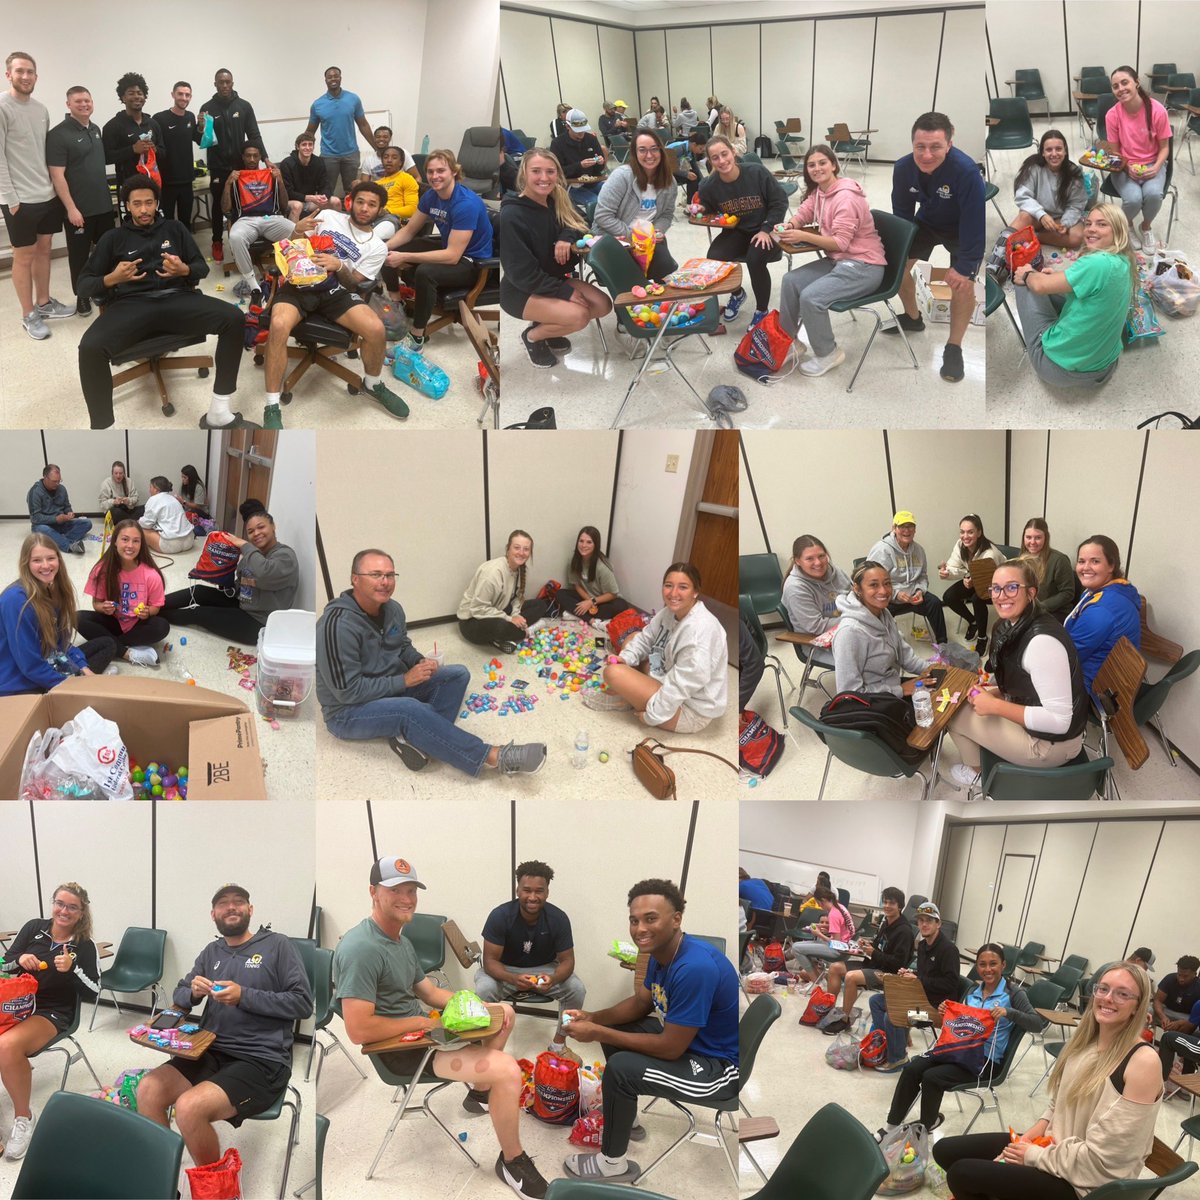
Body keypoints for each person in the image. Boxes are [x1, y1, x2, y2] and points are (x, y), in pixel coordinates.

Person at [335, 855, 550, 1198]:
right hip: (402, 1050)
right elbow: (359, 1031)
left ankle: (479, 1094)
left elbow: (429, 991)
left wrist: (477, 1006)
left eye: (411, 890)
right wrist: (422, 1022)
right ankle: (512, 1162)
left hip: (421, 1034)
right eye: (396, 890)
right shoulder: (361, 948)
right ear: (373, 892)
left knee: (504, 1012)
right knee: (508, 1071)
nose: (407, 898)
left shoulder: (399, 941)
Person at [933, 962, 1161, 1199]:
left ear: (1137, 1006)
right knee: (945, 1151)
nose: (1108, 998)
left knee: (962, 1174)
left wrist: (1031, 1155)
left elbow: (1104, 1163)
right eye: (1103, 989)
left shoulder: (1143, 1062)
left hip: (1085, 1185)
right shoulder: (1084, 1044)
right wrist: (1024, 1140)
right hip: (1053, 1150)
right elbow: (1057, 1107)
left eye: (1122, 994)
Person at [562, 878, 739, 1183]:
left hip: (715, 1069)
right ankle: (625, 1119)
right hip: (690, 1044)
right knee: (618, 1026)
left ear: (676, 920)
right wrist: (596, 1017)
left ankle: (611, 1164)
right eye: (634, 920)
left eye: (651, 919)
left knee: (621, 1068)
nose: (640, 928)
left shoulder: (694, 967)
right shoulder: (661, 953)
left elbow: (671, 1048)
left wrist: (598, 1033)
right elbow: (641, 1003)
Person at [317, 549, 547, 776]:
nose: (385, 582)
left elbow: (402, 646)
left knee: (458, 674)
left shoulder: (393, 609)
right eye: (376, 575)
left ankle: (417, 737)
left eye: (390, 575)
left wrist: (419, 661)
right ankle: (494, 756)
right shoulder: (336, 626)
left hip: (390, 690)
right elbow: (346, 693)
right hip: (347, 711)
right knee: (409, 710)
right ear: (355, 579)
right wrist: (404, 680)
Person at [136, 885, 311, 1171]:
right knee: (148, 1090)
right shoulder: (211, 952)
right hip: (208, 1049)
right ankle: (163, 1174)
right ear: (213, 914)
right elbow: (181, 993)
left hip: (261, 1059)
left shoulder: (278, 945)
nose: (231, 907)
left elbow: (303, 1003)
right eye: (223, 904)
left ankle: (217, 1189)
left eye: (238, 902)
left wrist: (244, 996)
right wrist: (193, 992)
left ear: (250, 910)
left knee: (189, 1108)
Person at [76, 175, 248, 431]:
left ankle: (219, 413)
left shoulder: (175, 229)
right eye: (137, 204)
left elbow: (201, 268)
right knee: (89, 348)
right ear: (127, 207)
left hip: (177, 299)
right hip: (132, 305)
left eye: (149, 202)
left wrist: (184, 270)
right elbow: (83, 285)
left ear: (157, 202)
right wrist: (111, 278)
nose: (144, 210)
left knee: (234, 318)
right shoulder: (113, 238)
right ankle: (103, 428)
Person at [261, 181, 409, 429]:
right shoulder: (328, 217)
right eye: (360, 201)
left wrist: (339, 265)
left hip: (336, 290)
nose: (364, 208)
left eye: (371, 205)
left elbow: (355, 284)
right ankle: (272, 406)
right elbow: (292, 247)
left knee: (375, 328)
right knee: (278, 325)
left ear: (380, 210)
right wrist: (296, 230)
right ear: (351, 201)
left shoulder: (377, 247)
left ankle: (373, 385)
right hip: (299, 285)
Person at [946, 559, 1090, 792]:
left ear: (1031, 593)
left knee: (954, 714)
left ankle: (976, 773)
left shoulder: (1042, 642)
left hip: (1051, 745)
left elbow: (1059, 721)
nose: (1001, 595)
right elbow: (1027, 681)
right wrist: (996, 692)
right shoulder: (1017, 623)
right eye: (996, 588)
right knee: (968, 700)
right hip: (1047, 730)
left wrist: (994, 706)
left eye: (1012, 587)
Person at [879, 944, 1046, 1138]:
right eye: (982, 964)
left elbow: (1037, 1024)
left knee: (932, 1077)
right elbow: (957, 1024)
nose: (987, 969)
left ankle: (925, 1128)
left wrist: (1009, 1012)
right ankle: (891, 1127)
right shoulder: (974, 991)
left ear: (1004, 965)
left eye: (993, 964)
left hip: (985, 1062)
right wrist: (945, 1012)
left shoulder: (1014, 993)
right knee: (911, 1069)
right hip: (957, 1049)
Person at [0, 883, 100, 1159]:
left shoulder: (84, 946)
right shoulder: (34, 928)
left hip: (52, 1012)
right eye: (60, 903)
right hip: (16, 1004)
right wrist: (20, 957)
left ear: (81, 913)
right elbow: (4, 963)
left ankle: (24, 1118)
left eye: (72, 907)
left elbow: (93, 991)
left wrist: (72, 969)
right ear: (52, 903)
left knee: (6, 1046)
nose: (63, 911)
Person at [890, 112, 984, 383]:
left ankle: (954, 346)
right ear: (912, 144)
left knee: (963, 285)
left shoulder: (966, 172)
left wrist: (964, 267)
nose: (927, 155)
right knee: (896, 271)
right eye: (920, 146)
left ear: (949, 144)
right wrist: (899, 252)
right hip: (929, 222)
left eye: (935, 147)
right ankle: (913, 317)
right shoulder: (903, 168)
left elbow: (974, 222)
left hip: (962, 227)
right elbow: (902, 216)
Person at [777, 144, 887, 376]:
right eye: (811, 165)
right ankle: (790, 341)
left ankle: (829, 353)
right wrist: (792, 224)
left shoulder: (845, 198)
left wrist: (802, 235)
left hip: (864, 266)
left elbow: (840, 243)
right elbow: (805, 211)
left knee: (811, 298)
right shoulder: (821, 192)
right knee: (790, 281)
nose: (817, 168)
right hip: (841, 261)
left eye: (822, 163)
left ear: (834, 165)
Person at [500, 148, 609, 369]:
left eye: (550, 172)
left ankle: (549, 322)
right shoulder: (511, 216)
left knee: (602, 305)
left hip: (550, 281)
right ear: (524, 174)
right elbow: (522, 274)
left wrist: (564, 238)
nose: (544, 178)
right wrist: (565, 292)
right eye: (536, 171)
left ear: (557, 174)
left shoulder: (556, 199)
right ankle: (533, 336)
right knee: (579, 316)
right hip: (521, 290)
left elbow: (580, 223)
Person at [1012, 204, 1137, 389]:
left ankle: (1040, 344)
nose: (1091, 229)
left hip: (1060, 370)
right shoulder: (1125, 261)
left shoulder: (1095, 263)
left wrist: (1028, 274)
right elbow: (1081, 286)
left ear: (1118, 230)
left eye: (1101, 224)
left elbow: (1038, 286)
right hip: (1105, 367)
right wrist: (1047, 279)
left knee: (1023, 281)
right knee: (1052, 284)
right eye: (1088, 223)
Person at [474, 860, 586, 1062]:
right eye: (527, 890)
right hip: (505, 970)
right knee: (483, 990)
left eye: (539, 891)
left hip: (545, 970)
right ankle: (489, 1048)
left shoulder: (558, 918)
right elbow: (490, 961)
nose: (532, 897)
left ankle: (559, 1043)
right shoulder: (500, 915)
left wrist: (553, 979)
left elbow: (568, 961)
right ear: (517, 890)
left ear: (547, 892)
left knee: (577, 989)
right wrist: (513, 977)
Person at [382, 149, 493, 351]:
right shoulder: (431, 196)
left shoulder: (465, 203)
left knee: (425, 272)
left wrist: (405, 256)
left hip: (471, 262)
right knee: (387, 251)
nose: (435, 176)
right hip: (449, 247)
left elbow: (452, 256)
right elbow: (409, 230)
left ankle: (417, 337)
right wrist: (380, 248)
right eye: (431, 172)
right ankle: (397, 306)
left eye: (441, 171)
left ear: (454, 172)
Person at [601, 562, 728, 732]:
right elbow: (645, 639)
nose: (673, 593)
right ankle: (634, 693)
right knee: (631, 639)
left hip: (688, 710)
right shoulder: (669, 612)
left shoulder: (699, 633)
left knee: (613, 673)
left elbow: (681, 686)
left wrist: (650, 716)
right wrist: (625, 658)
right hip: (668, 678)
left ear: (695, 592)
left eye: (683, 587)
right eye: (668, 586)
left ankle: (631, 699)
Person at [1, 51, 71, 341]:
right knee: (24, 256)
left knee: (44, 250)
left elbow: (43, 152)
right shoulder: (2, 106)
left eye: (30, 72)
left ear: (36, 76)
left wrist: (54, 189)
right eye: (20, 71)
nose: (26, 76)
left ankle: (44, 303)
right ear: (9, 74)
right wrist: (10, 198)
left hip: (46, 194)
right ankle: (28, 314)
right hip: (20, 199)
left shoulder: (41, 109)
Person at [162, 510, 298, 645]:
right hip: (243, 604)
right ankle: (156, 604)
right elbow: (241, 584)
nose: (256, 533)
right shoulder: (253, 555)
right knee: (198, 591)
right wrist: (221, 578)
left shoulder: (285, 556)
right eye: (251, 531)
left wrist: (245, 546)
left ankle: (154, 615)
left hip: (259, 622)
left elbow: (264, 575)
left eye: (261, 527)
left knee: (198, 613)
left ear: (273, 526)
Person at [0, 536, 116, 694]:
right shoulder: (16, 601)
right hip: (19, 680)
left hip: (48, 658)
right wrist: (75, 685)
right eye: (37, 560)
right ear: (26, 563)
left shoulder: (53, 588)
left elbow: (61, 643)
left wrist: (84, 669)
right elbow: (30, 666)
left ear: (59, 559)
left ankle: (83, 681)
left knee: (107, 644)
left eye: (50, 558)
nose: (46, 566)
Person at [696, 134, 788, 327]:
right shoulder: (708, 186)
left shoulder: (757, 172)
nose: (722, 161)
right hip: (738, 231)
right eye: (715, 158)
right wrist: (700, 209)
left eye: (724, 154)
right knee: (714, 256)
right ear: (710, 161)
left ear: (733, 152)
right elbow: (709, 206)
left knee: (755, 259)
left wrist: (766, 229)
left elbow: (779, 202)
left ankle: (762, 310)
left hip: (766, 230)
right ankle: (738, 294)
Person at [46, 86, 114, 316]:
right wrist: (71, 209)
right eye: (78, 101)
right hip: (79, 211)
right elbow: (57, 175)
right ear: (68, 105)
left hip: (103, 206)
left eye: (87, 100)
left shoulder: (95, 129)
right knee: (79, 256)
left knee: (106, 251)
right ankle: (82, 296)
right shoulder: (58, 135)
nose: (84, 104)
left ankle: (104, 291)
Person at [869, 902, 960, 1073]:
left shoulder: (949, 950)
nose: (924, 924)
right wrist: (911, 973)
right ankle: (890, 1045)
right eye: (921, 921)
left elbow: (950, 984)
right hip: (919, 999)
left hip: (936, 1009)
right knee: (876, 1001)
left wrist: (919, 979)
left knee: (894, 1014)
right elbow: (927, 975)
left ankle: (898, 1058)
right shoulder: (924, 945)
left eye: (929, 920)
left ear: (938, 923)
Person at [831, 560, 932, 699]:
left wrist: (934, 669)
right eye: (874, 585)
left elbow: (906, 657)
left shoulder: (884, 613)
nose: (884, 591)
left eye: (887, 583)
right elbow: (848, 694)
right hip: (872, 703)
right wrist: (900, 690)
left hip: (891, 687)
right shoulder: (849, 633)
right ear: (857, 589)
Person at [77, 518, 169, 668]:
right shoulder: (102, 570)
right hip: (113, 621)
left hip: (137, 624)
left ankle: (109, 642)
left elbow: (155, 607)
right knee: (76, 617)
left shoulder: (151, 575)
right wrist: (103, 607)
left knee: (162, 626)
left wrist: (147, 612)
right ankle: (126, 652)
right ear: (115, 541)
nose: (130, 546)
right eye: (125, 539)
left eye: (136, 541)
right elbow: (96, 604)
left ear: (141, 544)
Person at [198, 69, 268, 264]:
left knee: (242, 204)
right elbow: (201, 139)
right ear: (215, 84)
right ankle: (217, 241)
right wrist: (199, 127)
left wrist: (266, 158)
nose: (225, 86)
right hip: (218, 166)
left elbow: (254, 134)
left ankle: (242, 241)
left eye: (228, 82)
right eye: (221, 82)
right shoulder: (207, 108)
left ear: (232, 83)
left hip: (240, 166)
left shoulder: (244, 106)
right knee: (219, 205)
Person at [824, 887, 916, 1031]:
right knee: (834, 967)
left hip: (887, 973)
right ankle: (829, 1010)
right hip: (873, 964)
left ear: (900, 906)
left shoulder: (904, 931)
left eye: (891, 903)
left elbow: (898, 964)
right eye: (885, 902)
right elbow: (879, 946)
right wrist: (867, 945)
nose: (887, 906)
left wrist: (873, 952)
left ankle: (844, 1019)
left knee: (851, 977)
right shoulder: (886, 922)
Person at [594, 127, 679, 280]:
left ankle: (657, 301)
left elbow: (667, 214)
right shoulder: (622, 176)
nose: (649, 155)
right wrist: (634, 236)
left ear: (661, 151)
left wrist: (656, 231)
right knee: (631, 278)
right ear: (634, 153)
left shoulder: (669, 182)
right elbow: (602, 216)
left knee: (665, 267)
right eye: (642, 150)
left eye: (654, 149)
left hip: (647, 240)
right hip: (617, 238)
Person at [1063, 535, 1142, 695]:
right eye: (1081, 561)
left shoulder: (1102, 609)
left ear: (1111, 565)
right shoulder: (1116, 590)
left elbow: (1067, 657)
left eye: (1095, 561)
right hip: (1113, 677)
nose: (1085, 567)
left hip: (1095, 685)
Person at [1105, 65, 1172, 252]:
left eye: (1124, 82)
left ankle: (1146, 226)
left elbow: (1165, 148)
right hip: (1124, 164)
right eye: (1115, 86)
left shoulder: (1157, 111)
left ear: (1137, 82)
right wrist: (1127, 168)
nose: (1120, 89)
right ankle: (1127, 225)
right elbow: (1115, 153)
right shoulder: (1112, 115)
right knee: (1133, 199)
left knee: (1153, 195)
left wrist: (1157, 166)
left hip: (1152, 163)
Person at [457, 530, 551, 653]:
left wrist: (516, 614)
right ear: (508, 549)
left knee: (540, 605)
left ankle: (509, 634)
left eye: (526, 549)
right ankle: (526, 631)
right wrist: (509, 619)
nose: (521, 553)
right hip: (473, 621)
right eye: (517, 548)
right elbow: (478, 609)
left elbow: (517, 598)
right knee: (501, 627)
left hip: (498, 609)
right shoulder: (492, 573)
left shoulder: (519, 568)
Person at [222, 143, 292, 301]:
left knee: (297, 231)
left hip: (271, 219)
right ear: (243, 157)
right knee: (235, 237)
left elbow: (284, 206)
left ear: (261, 157)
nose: (252, 159)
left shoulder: (271, 175)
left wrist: (280, 181)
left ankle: (291, 275)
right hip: (246, 221)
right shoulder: (236, 177)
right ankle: (254, 287)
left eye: (255, 155)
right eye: (248, 155)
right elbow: (225, 208)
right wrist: (227, 183)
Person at [867, 511, 948, 643]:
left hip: (913, 597)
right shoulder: (882, 550)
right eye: (902, 527)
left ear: (915, 529)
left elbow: (922, 576)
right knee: (876, 612)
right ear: (894, 528)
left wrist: (920, 591)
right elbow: (874, 583)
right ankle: (885, 648)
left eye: (910, 526)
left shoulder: (919, 550)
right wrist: (896, 594)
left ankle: (943, 645)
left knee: (935, 603)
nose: (906, 530)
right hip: (889, 598)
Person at [937, 514, 1005, 656]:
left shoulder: (989, 553)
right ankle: (973, 621)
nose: (965, 536)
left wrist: (971, 579)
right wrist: (946, 572)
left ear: (979, 532)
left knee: (976, 599)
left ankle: (982, 637)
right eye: (962, 532)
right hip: (975, 579)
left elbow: (989, 581)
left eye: (970, 532)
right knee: (948, 596)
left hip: (996, 585)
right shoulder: (960, 545)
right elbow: (954, 566)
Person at [781, 535, 851, 671]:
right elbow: (816, 626)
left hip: (847, 631)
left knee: (888, 646)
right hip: (817, 643)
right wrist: (856, 619)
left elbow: (854, 597)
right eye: (809, 558)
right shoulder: (795, 588)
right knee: (868, 660)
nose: (818, 563)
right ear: (797, 561)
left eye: (821, 556)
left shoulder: (835, 571)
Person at [303, 66, 374, 196]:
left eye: (336, 76)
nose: (333, 79)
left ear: (341, 78)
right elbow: (310, 132)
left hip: (351, 154)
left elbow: (363, 124)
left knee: (352, 191)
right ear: (325, 80)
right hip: (328, 155)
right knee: (326, 190)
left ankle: (352, 215)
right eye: (329, 77)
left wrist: (376, 147)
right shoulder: (317, 104)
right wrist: (301, 150)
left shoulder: (353, 99)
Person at [1013, 129, 1088, 249]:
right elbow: (1022, 196)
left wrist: (1066, 223)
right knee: (1024, 216)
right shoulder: (1033, 167)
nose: (1054, 154)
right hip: (1036, 216)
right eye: (1048, 150)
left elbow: (1076, 204)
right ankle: (1002, 247)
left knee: (1078, 237)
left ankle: (1034, 236)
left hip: (1059, 218)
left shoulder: (1074, 172)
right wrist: (1041, 215)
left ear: (1065, 151)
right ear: (1042, 152)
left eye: (1058, 149)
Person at [100, 71, 163, 190]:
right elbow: (106, 158)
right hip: (127, 187)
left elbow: (163, 152)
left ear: (145, 97)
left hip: (152, 184)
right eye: (131, 93)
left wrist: (154, 149)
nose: (136, 96)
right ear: (123, 97)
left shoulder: (153, 124)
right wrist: (132, 149)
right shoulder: (112, 126)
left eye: (140, 93)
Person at [152, 81, 202, 227]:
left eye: (187, 95)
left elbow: (198, 140)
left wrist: (201, 128)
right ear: (173, 94)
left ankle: (183, 248)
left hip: (186, 180)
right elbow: (155, 149)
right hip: (166, 181)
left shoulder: (190, 117)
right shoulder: (159, 118)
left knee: (185, 221)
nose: (184, 98)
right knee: (165, 222)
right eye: (180, 94)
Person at [564, 525, 632, 620]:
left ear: (596, 545)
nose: (584, 545)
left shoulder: (602, 566)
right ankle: (589, 617)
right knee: (560, 594)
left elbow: (613, 594)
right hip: (587, 597)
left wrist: (592, 602)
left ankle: (582, 616)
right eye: (581, 541)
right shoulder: (573, 561)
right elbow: (577, 585)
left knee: (621, 605)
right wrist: (588, 600)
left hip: (604, 600)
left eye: (589, 542)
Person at [794, 885, 856, 984]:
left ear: (822, 900)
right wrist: (818, 926)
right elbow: (842, 927)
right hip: (846, 946)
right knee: (800, 947)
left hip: (839, 951)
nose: (819, 906)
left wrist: (818, 934)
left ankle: (816, 983)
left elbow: (836, 944)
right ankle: (817, 979)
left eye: (818, 903)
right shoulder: (840, 907)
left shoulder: (833, 914)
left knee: (796, 948)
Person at [27, 463, 91, 554]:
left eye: (59, 481)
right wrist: (56, 519)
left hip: (61, 524)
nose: (57, 484)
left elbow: (67, 506)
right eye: (54, 481)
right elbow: (35, 518)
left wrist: (69, 513)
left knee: (87, 523)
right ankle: (69, 546)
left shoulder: (62, 489)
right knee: (43, 530)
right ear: (45, 477)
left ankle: (58, 539)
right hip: (44, 525)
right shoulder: (35, 492)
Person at [549, 109, 609, 205]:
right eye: (577, 130)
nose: (581, 133)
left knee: (613, 196)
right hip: (571, 186)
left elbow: (599, 170)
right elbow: (558, 172)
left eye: (583, 129)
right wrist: (580, 166)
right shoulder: (557, 144)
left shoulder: (591, 139)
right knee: (595, 203)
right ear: (567, 126)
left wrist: (601, 163)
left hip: (593, 182)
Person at [1020, 518, 1076, 620]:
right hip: (1028, 608)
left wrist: (1041, 606)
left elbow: (1068, 593)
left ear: (1046, 538)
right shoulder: (1021, 558)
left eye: (1038, 538)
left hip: (1053, 611)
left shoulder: (1059, 560)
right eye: (1028, 537)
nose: (1032, 542)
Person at [279, 132, 329, 222]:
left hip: (310, 201)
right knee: (297, 206)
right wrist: (308, 197)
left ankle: (330, 232)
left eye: (310, 145)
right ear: (298, 147)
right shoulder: (287, 164)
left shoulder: (319, 162)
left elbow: (325, 184)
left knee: (335, 201)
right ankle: (294, 235)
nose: (307, 148)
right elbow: (287, 192)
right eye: (304, 145)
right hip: (291, 201)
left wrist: (324, 196)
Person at [138, 476, 195, 554]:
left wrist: (138, 522)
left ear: (156, 489)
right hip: (189, 540)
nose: (149, 490)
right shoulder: (173, 499)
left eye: (150, 487)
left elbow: (146, 524)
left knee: (140, 529)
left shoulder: (153, 499)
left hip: (171, 545)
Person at [377, 146, 419, 227]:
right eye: (386, 157)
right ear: (382, 161)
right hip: (373, 218)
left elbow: (413, 209)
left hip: (393, 220)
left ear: (400, 162)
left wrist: (388, 211)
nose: (389, 160)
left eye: (394, 157)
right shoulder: (376, 183)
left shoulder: (407, 179)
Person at [1153, 956, 1200, 1029]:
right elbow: (1157, 1000)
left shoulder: (1198, 986)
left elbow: (1197, 1017)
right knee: (1148, 1011)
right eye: (1179, 974)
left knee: (1196, 1028)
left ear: (1194, 974)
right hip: (1166, 1012)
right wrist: (1163, 1017)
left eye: (1185, 976)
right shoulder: (1169, 978)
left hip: (1187, 1018)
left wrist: (1182, 1022)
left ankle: (1172, 1039)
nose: (1181, 979)